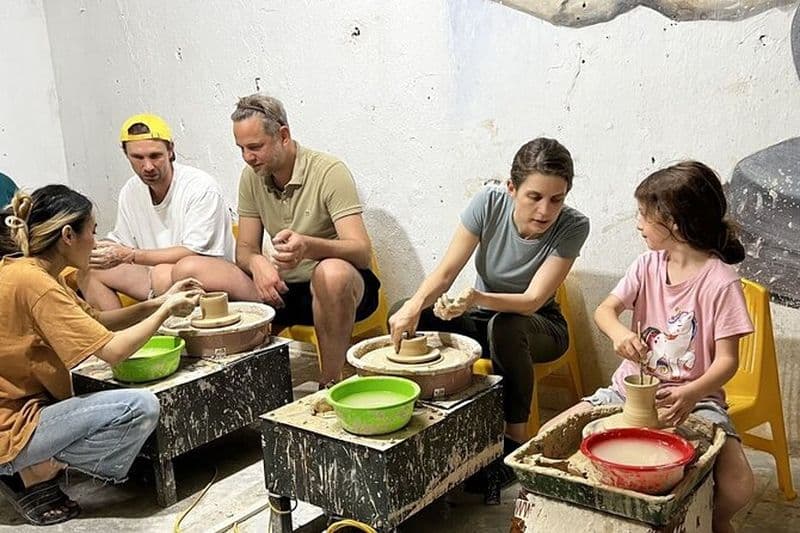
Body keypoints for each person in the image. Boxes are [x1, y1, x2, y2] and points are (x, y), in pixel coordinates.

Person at [539, 161, 754, 533]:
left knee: (738, 487)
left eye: (643, 214)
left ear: (675, 223)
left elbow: (727, 362)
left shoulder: (720, 282)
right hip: (626, 391)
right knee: (547, 439)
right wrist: (619, 334)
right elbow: (605, 310)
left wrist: (691, 392)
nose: (637, 223)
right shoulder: (646, 265)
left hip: (694, 399)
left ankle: (709, 522)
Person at [0, 185, 202, 525]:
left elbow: (96, 322)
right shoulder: (35, 283)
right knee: (139, 407)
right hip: (11, 422)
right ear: (68, 235)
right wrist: (165, 312)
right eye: (92, 232)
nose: (96, 242)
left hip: (24, 405)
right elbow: (114, 351)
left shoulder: (33, 271)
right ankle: (28, 468)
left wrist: (158, 301)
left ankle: (31, 462)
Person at [388, 137, 590, 451]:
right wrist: (414, 306)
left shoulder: (573, 226)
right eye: (534, 197)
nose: (544, 210)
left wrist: (476, 298)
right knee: (403, 311)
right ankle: (420, 410)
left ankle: (514, 440)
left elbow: (532, 301)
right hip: (483, 319)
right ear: (512, 188)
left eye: (556, 199)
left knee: (506, 326)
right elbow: (445, 274)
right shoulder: (489, 202)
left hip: (537, 327)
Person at [173, 94, 380, 386]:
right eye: (241, 149)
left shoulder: (328, 171)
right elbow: (245, 249)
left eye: (255, 147)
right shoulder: (252, 176)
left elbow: (361, 252)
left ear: (283, 135)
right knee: (188, 268)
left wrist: (309, 246)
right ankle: (226, 379)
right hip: (282, 289)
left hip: (338, 290)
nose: (248, 157)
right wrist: (257, 263)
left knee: (330, 273)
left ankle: (330, 384)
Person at [79, 113, 234, 309]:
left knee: (165, 273)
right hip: (154, 276)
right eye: (137, 157)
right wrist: (92, 247)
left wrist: (130, 255)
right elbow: (121, 241)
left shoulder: (200, 187)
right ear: (126, 155)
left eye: (155, 156)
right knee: (89, 269)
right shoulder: (131, 190)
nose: (148, 166)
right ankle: (120, 329)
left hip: (203, 277)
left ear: (170, 150)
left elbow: (193, 252)